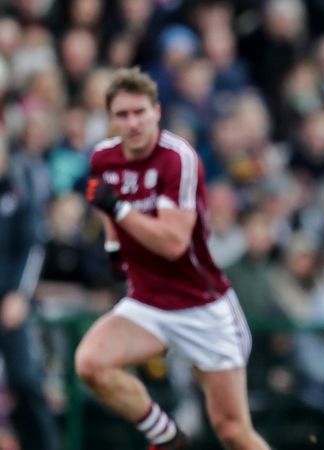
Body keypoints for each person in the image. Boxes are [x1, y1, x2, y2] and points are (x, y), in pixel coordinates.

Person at [73, 67, 272, 450]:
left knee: (232, 430)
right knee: (90, 364)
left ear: (157, 111)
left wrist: (118, 210)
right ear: (111, 119)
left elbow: (173, 244)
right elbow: (104, 203)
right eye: (122, 114)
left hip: (202, 306)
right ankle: (167, 437)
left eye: (139, 112)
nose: (132, 122)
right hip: (148, 302)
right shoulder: (103, 157)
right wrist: (115, 248)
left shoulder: (178, 158)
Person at [0, 138, 59, 450]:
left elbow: (32, 247)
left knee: (25, 381)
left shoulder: (19, 191)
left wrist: (19, 295)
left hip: (10, 304)